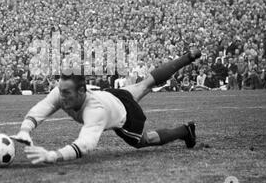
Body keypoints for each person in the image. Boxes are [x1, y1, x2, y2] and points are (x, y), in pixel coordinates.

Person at [11, 49, 201, 165]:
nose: (61, 96)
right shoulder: (61, 92)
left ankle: (185, 130)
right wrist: (25, 130)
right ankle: (188, 56)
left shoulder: (95, 111)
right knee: (145, 84)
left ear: (82, 91)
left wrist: (54, 155)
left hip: (125, 113)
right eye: (60, 91)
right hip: (113, 95)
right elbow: (41, 109)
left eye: (66, 93)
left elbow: (86, 144)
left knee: (144, 141)